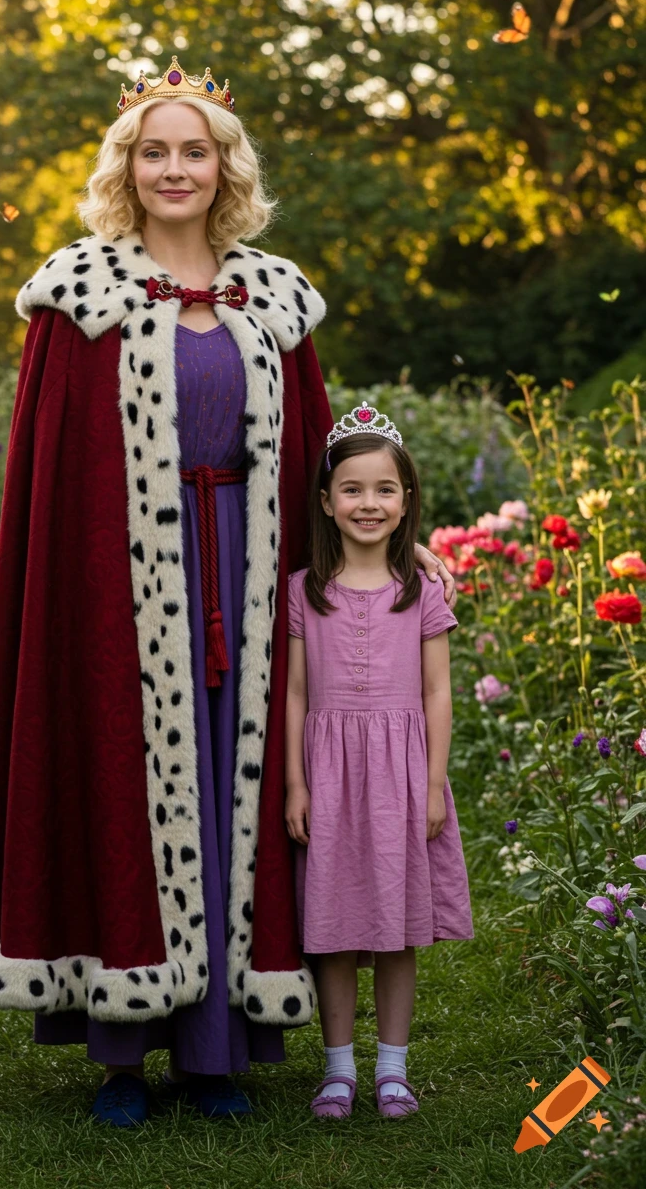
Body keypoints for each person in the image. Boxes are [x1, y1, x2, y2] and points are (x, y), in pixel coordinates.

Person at [0, 56, 456, 1128]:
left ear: (225, 167)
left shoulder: (272, 301)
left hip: (250, 582)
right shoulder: (77, 300)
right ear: (125, 167)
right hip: (113, 590)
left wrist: (357, 580)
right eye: (153, 149)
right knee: (127, 796)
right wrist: (82, 600)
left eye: (195, 148)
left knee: (243, 791)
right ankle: (123, 1050)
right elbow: (51, 483)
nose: (175, 167)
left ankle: (218, 1049)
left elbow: (316, 470)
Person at [285, 402, 473, 1121]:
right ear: (328, 503)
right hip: (329, 777)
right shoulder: (305, 593)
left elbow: (437, 692)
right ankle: (339, 1071)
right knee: (332, 928)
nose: (369, 502)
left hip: (401, 775)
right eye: (353, 489)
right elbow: (297, 694)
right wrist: (298, 782)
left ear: (406, 502)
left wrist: (431, 786)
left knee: (396, 930)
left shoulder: (421, 593)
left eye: (385, 489)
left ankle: (393, 1069)